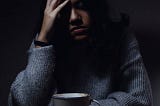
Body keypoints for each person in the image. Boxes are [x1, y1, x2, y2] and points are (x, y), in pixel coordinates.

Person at [8, 0, 153, 105]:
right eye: (64, 10)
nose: (74, 18)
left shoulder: (120, 38)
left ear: (94, 7)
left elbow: (142, 101)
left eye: (81, 6)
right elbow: (26, 101)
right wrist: (43, 38)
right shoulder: (44, 43)